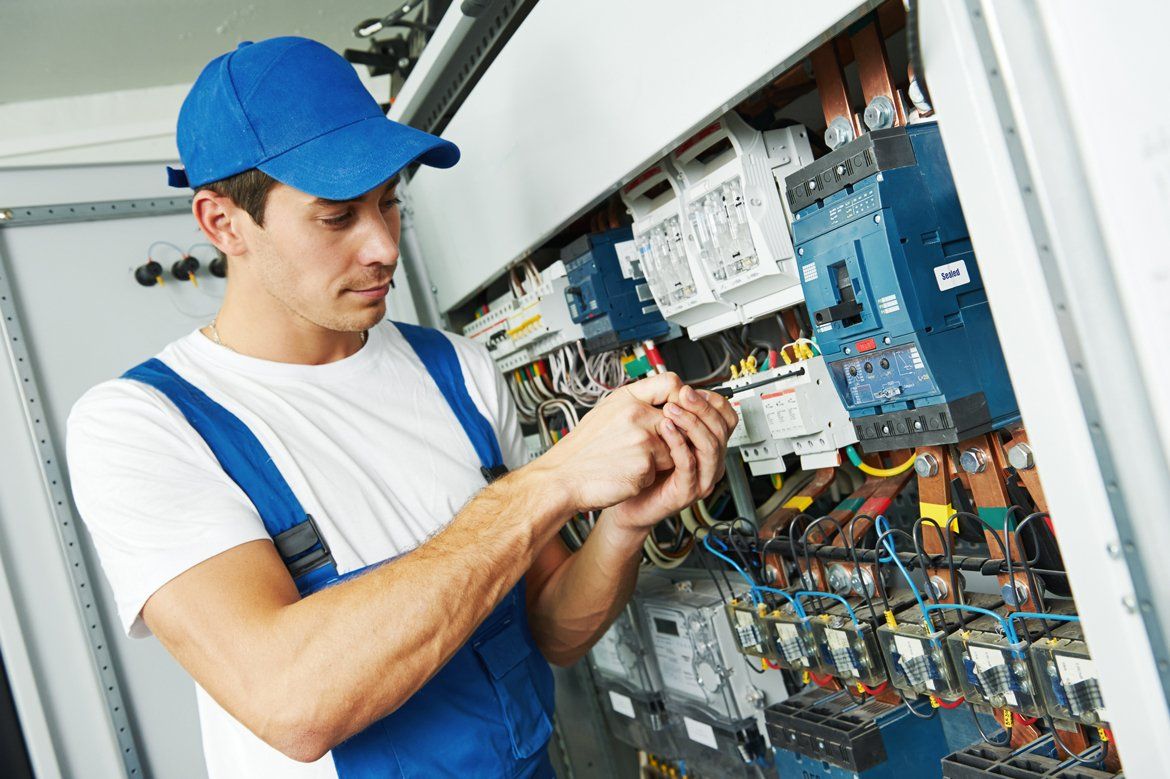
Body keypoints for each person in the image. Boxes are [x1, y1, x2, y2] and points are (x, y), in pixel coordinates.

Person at [66, 37, 735, 778]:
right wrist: (551, 482)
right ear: (223, 223)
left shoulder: (456, 371)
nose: (383, 245)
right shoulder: (143, 426)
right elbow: (291, 701)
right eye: (337, 216)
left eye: (389, 202)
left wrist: (623, 527)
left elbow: (553, 630)